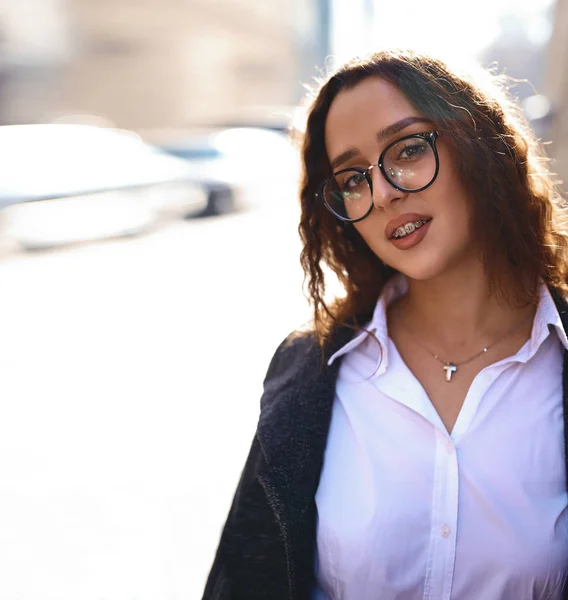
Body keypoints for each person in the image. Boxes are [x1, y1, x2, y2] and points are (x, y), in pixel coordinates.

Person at [202, 49, 568, 600]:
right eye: (352, 178)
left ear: (477, 145)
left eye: (409, 148)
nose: (384, 192)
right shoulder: (310, 366)